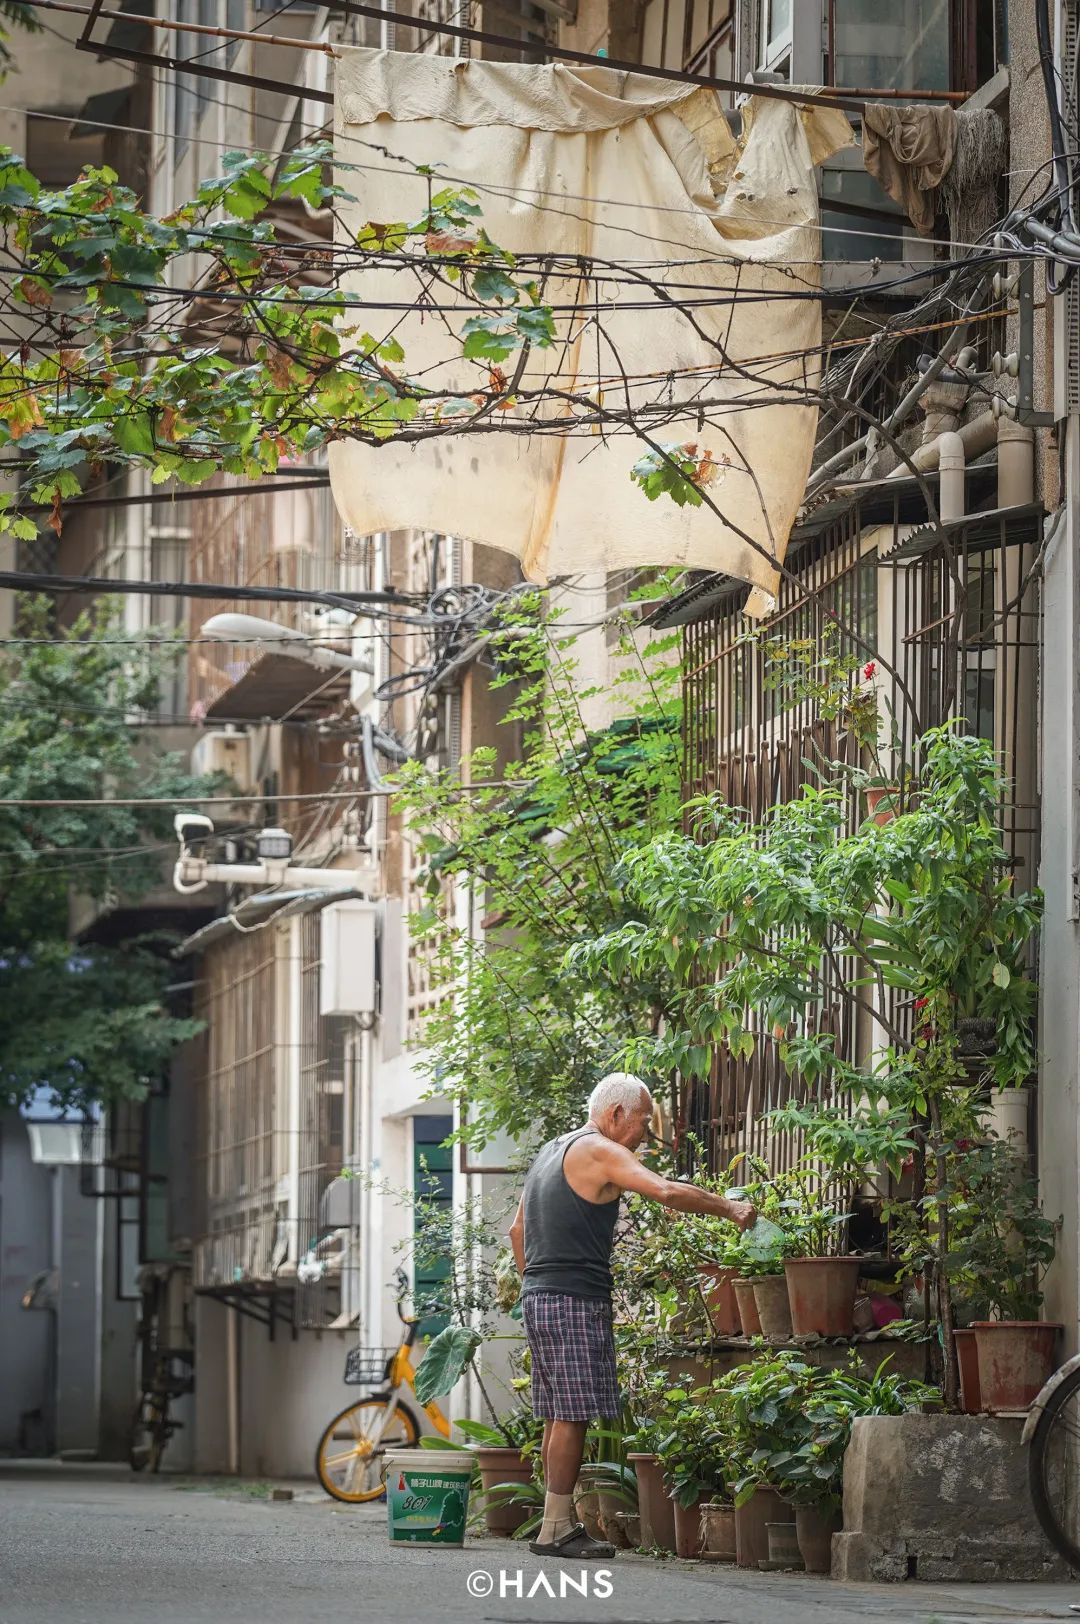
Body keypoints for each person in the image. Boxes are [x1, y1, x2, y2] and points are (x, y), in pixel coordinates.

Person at [507, 1072, 756, 1559]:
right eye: (643, 1120)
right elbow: (662, 1191)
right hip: (573, 1298)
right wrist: (731, 1209)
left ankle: (555, 1525)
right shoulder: (599, 1149)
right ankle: (556, 1530)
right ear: (617, 1114)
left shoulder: (551, 1151)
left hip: (541, 1294)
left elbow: (518, 1231)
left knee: (560, 1414)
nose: (645, 1132)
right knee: (573, 1414)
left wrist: (536, 1285)